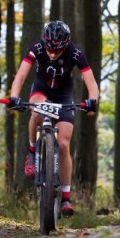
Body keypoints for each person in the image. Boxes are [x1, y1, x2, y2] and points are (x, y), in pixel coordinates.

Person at [8, 20, 99, 217]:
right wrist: (15, 96)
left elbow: (90, 82)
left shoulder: (75, 53)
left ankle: (66, 197)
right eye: (49, 48)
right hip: (41, 90)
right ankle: (32, 152)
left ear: (65, 45)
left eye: (57, 51)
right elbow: (21, 75)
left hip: (64, 96)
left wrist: (92, 101)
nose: (51, 53)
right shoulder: (37, 47)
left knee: (64, 144)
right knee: (37, 111)